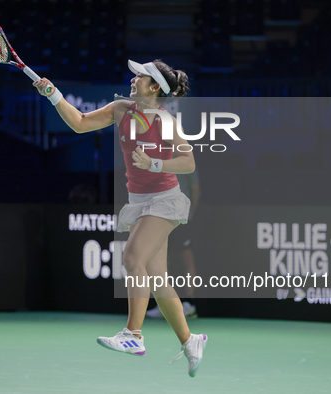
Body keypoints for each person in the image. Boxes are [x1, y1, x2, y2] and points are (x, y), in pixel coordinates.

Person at [33, 59, 208, 377]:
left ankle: (133, 335)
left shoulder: (165, 121)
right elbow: (81, 123)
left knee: (131, 258)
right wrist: (53, 95)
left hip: (165, 200)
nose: (134, 78)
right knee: (157, 279)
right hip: (139, 200)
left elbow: (188, 162)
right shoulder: (121, 109)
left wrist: (155, 163)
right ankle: (190, 339)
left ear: (154, 87)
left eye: (141, 76)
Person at [146, 169, 200, 319]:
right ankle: (163, 305)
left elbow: (195, 189)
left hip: (182, 218)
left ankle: (189, 305)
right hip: (162, 218)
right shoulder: (157, 157)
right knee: (162, 261)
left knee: (187, 260)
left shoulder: (185, 155)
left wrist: (189, 215)